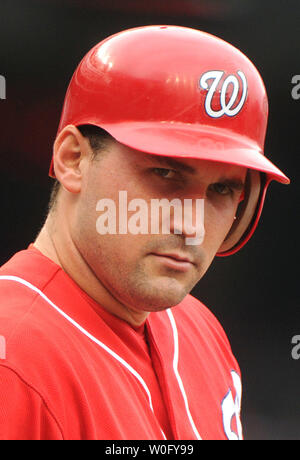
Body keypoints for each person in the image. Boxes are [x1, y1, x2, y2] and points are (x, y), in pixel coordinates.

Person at [0, 25, 289, 440]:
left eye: (222, 189)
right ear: (73, 159)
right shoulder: (12, 359)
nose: (191, 224)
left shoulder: (200, 330)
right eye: (166, 173)